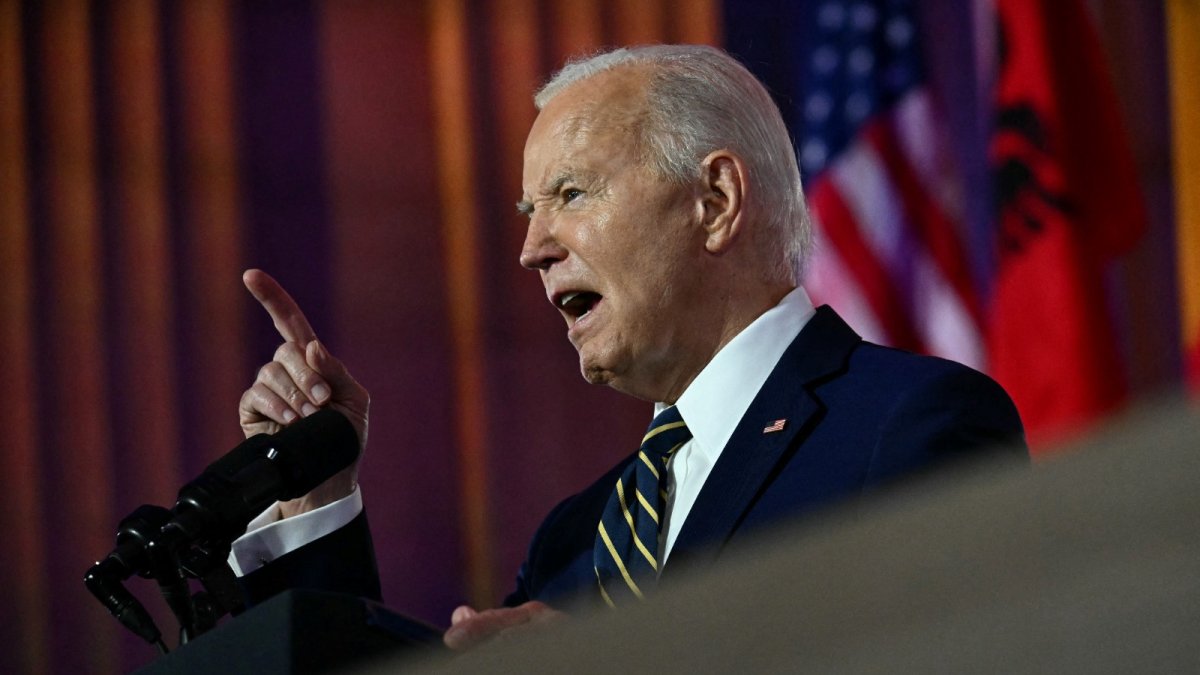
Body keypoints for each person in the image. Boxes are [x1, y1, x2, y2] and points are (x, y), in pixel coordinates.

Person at [230, 45, 1026, 650]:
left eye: (571, 194)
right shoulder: (577, 536)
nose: (531, 248)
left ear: (714, 201)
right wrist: (316, 504)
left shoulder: (911, 426)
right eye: (527, 210)